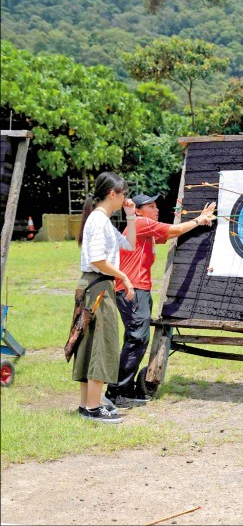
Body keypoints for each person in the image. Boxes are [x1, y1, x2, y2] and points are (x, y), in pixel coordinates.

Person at [105, 194, 215, 407]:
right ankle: (115, 391)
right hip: (132, 289)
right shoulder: (140, 222)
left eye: (156, 206)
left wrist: (197, 219)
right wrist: (199, 220)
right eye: (151, 206)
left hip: (139, 289)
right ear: (137, 211)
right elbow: (173, 230)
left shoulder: (145, 228)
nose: (157, 210)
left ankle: (125, 389)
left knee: (137, 338)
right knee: (137, 338)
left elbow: (169, 234)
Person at [74, 172, 137, 423]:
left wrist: (131, 216)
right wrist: (125, 277)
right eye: (124, 194)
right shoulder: (98, 221)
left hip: (96, 285)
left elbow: (129, 245)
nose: (126, 198)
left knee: (90, 344)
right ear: (113, 194)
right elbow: (97, 260)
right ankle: (92, 407)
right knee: (102, 343)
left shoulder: (102, 221)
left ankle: (88, 404)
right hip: (99, 286)